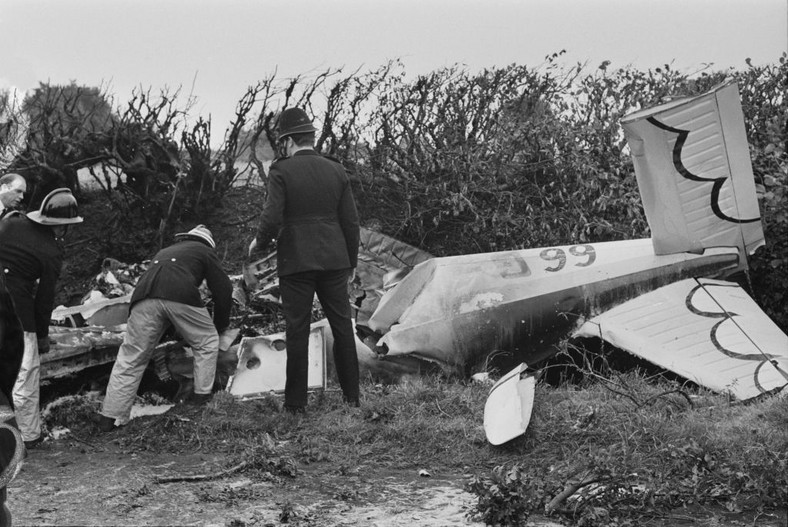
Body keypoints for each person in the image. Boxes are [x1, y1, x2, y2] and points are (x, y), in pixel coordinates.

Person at [248, 107, 361, 413]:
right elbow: (350, 223)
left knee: (296, 329)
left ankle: (296, 405)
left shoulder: (282, 171)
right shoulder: (336, 170)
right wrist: (350, 262)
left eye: (282, 142)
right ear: (310, 137)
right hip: (335, 260)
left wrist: (258, 242)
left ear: (289, 141)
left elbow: (271, 219)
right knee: (342, 328)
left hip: (296, 260)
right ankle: (353, 399)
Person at [97, 225, 234, 432]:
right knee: (207, 342)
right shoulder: (205, 251)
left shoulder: (165, 252)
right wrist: (221, 324)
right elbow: (224, 289)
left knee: (130, 358)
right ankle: (201, 401)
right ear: (208, 243)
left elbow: (163, 307)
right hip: (180, 293)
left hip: (142, 298)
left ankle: (109, 418)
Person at [0, 188, 83, 448]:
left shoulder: (12, 222)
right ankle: (26, 436)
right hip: (16, 313)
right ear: (62, 226)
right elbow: (45, 298)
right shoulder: (51, 251)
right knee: (25, 374)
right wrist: (42, 335)